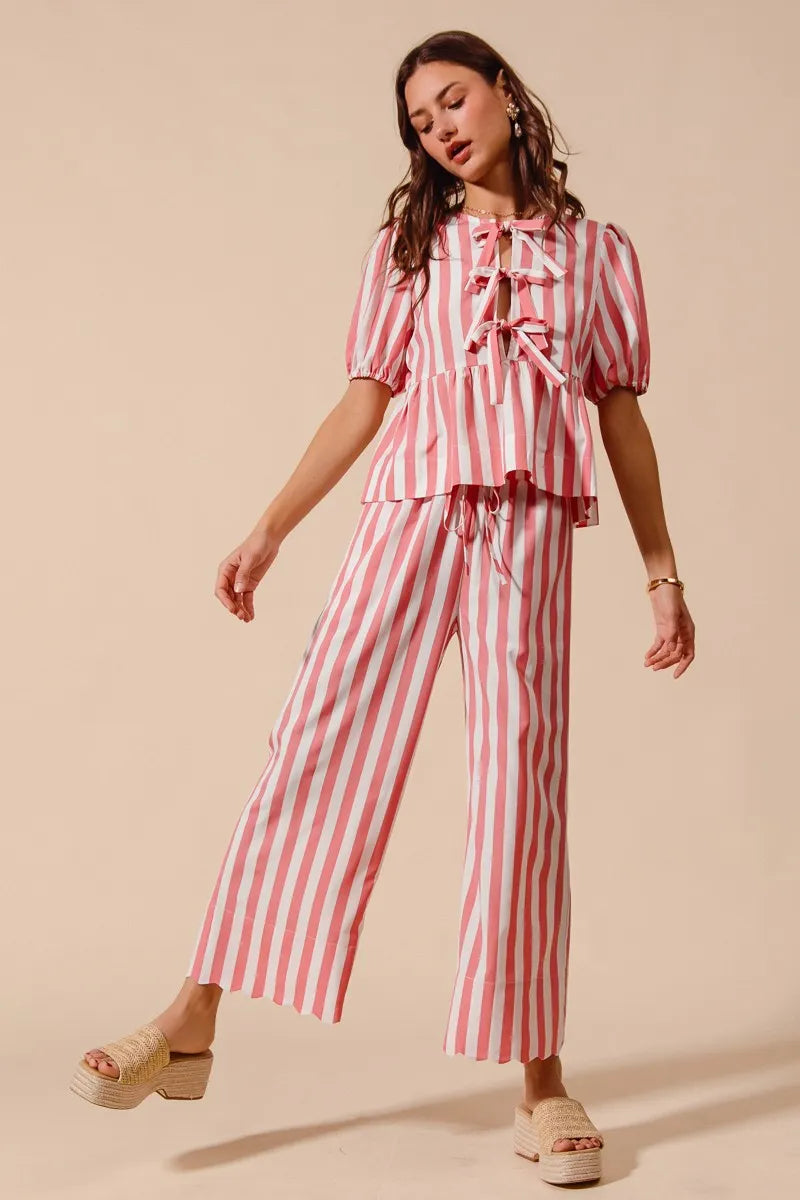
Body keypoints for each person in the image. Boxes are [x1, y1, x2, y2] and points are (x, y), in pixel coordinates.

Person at [70, 29, 695, 1187]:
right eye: (419, 122)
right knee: (315, 745)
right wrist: (267, 529)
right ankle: (192, 1012)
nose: (440, 128)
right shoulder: (412, 245)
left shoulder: (599, 253)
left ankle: (539, 1082)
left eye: (452, 100)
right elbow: (365, 399)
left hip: (525, 526)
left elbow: (620, 418)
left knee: (519, 784)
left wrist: (660, 573)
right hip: (406, 510)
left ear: (504, 91)